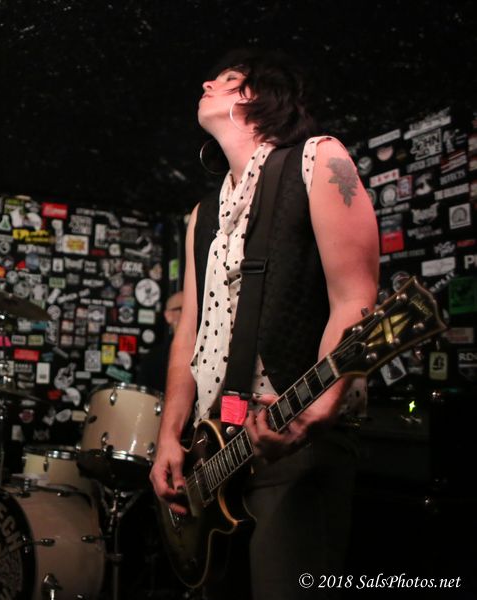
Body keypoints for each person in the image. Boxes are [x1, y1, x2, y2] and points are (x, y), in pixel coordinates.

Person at [150, 49, 379, 600]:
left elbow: (356, 297)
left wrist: (316, 411)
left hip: (296, 440)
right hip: (214, 451)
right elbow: (189, 333)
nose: (206, 83)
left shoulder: (319, 159)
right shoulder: (203, 214)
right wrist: (168, 436)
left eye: (226, 79)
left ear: (258, 96)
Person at [136, 291, 183, 393]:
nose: (192, 314)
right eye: (183, 309)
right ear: (169, 316)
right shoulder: (153, 358)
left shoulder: (209, 352)